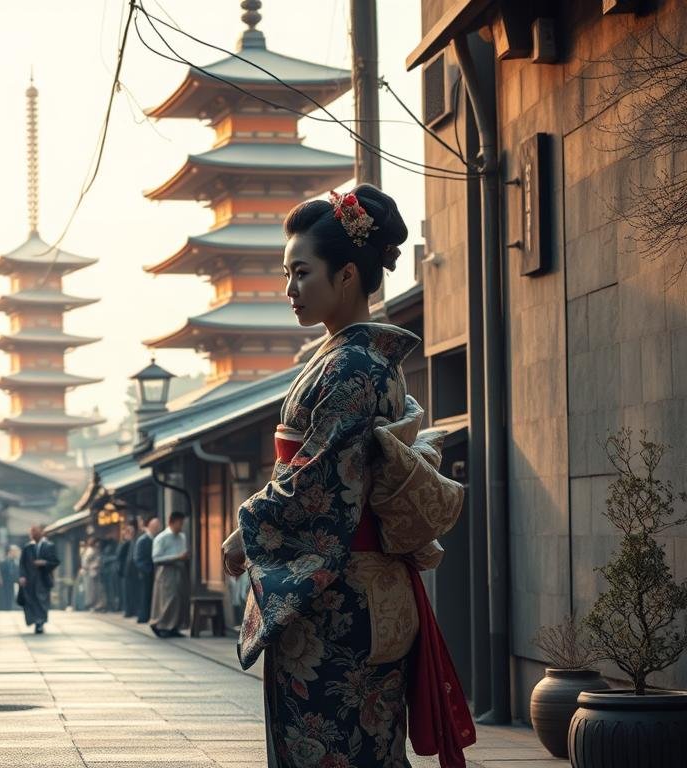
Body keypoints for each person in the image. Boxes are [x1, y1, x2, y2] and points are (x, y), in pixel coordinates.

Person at [224, 185, 472, 767]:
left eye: (301, 273)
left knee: (331, 750)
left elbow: (320, 481)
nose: (289, 290)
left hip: (340, 601)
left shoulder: (351, 367)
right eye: (286, 275)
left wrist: (248, 526)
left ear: (347, 275)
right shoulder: (354, 360)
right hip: (360, 589)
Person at [149, 511, 190, 637]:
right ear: (171, 522)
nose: (181, 526)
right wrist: (177, 557)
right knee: (167, 599)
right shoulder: (162, 537)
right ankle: (159, 624)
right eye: (179, 523)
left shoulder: (182, 537)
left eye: (182, 523)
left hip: (179, 570)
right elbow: (156, 558)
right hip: (166, 571)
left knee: (178, 599)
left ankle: (173, 627)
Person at [18, 524, 60, 633]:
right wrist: (22, 576)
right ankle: (35, 621)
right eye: (31, 532)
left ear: (41, 532)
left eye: (35, 531)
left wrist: (45, 563)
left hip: (43, 578)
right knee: (31, 601)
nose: (32, 534)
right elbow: (22, 563)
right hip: (29, 579)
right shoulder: (27, 547)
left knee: (42, 601)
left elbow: (55, 561)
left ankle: (40, 622)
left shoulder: (49, 545)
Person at [133, 518, 160, 623]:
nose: (157, 528)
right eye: (156, 526)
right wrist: (146, 570)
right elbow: (137, 558)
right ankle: (143, 616)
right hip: (146, 572)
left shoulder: (154, 538)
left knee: (150, 595)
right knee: (145, 595)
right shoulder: (143, 540)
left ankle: (149, 615)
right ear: (151, 526)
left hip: (153, 571)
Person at [119, 521, 138, 618]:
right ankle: (128, 610)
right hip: (126, 570)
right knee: (126, 592)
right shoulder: (126, 543)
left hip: (132, 570)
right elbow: (120, 556)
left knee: (132, 591)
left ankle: (131, 610)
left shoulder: (133, 542)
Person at [79, 539, 101, 611]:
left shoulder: (93, 551)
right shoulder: (87, 550)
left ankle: (92, 604)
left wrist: (90, 566)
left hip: (91, 572)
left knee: (92, 590)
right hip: (87, 571)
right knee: (88, 589)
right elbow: (84, 561)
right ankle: (89, 604)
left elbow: (95, 561)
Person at [0, 544, 20, 610]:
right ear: (10, 552)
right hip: (2, 591)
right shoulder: (2, 563)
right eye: (15, 551)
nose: (17, 553)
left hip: (11, 590)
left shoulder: (16, 564)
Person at [101, 536, 120, 612]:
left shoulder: (108, 548)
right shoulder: (111, 548)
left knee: (110, 591)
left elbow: (104, 559)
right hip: (109, 573)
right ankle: (111, 606)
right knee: (111, 591)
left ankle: (111, 606)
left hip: (109, 573)